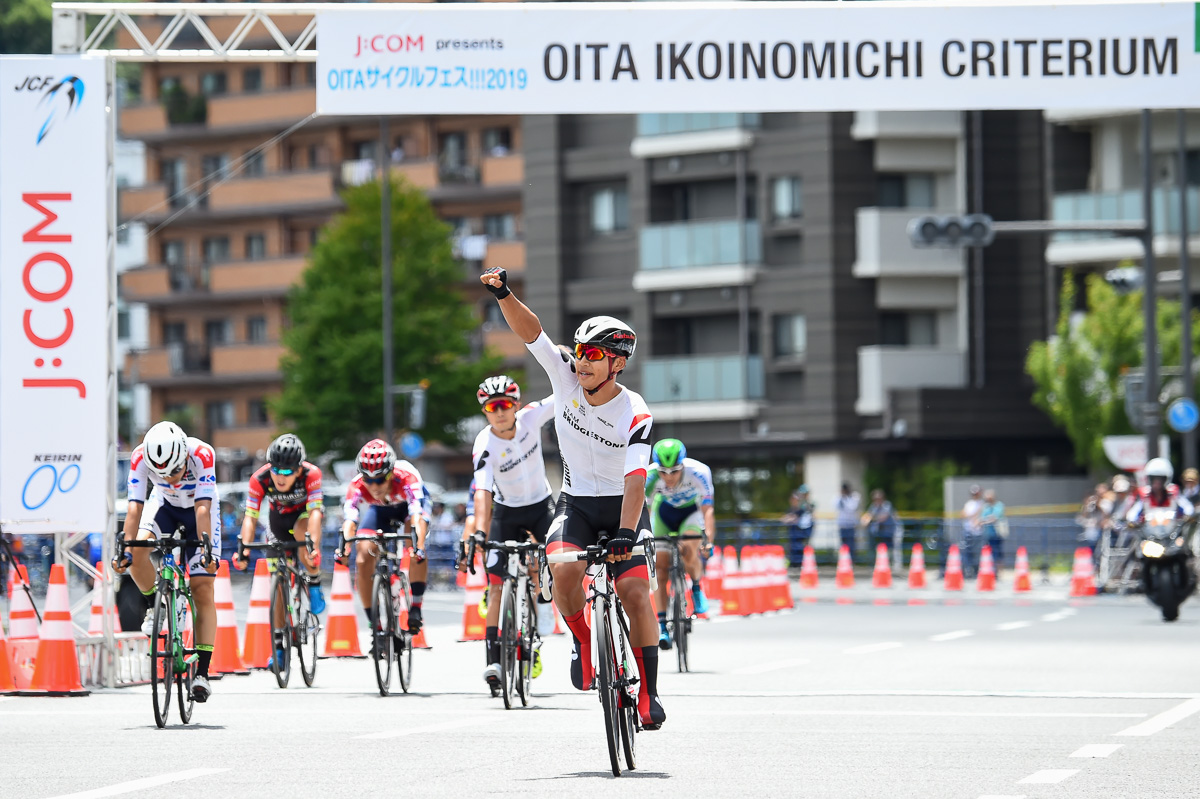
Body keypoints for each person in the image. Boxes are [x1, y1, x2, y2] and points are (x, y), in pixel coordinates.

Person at [481, 265, 664, 730]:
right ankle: (584, 641)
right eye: (580, 353)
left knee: (634, 592)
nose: (581, 362)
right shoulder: (565, 381)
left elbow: (636, 480)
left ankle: (648, 693)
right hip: (576, 504)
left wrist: (626, 533)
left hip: (625, 510)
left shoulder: (635, 411)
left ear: (617, 363)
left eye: (594, 355)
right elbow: (534, 335)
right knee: (563, 573)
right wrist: (504, 294)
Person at [462, 374, 556, 691]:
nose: (499, 411)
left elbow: (565, 392)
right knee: (498, 584)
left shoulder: (531, 417)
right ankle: (494, 662)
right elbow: (482, 492)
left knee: (555, 562)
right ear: (485, 411)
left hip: (541, 505)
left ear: (515, 405)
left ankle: (540, 622)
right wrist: (478, 532)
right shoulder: (484, 444)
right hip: (507, 511)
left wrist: (571, 361)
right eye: (492, 407)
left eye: (504, 405)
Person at [114, 421, 220, 703]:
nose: (170, 477)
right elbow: (135, 507)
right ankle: (155, 605)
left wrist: (206, 548)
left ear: (185, 455)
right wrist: (125, 548)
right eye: (160, 473)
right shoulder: (139, 456)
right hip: (163, 506)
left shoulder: (202, 454)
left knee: (202, 588)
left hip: (198, 509)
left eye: (174, 470)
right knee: (137, 553)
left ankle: (203, 674)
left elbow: (203, 507)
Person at [234, 433, 326, 657]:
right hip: (278, 523)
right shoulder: (260, 478)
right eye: (276, 470)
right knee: (277, 583)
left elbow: (315, 513)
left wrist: (312, 544)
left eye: (287, 471)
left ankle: (314, 582)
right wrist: (244, 547)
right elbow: (250, 517)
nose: (280, 477)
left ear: (298, 469)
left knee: (305, 537)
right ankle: (278, 645)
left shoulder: (311, 474)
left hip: (303, 518)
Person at [337, 439, 431, 633]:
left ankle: (416, 606)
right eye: (368, 479)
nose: (374, 485)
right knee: (363, 557)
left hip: (408, 509)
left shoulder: (406, 477)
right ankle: (374, 622)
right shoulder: (356, 485)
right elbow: (350, 520)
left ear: (390, 473)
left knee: (413, 545)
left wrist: (418, 546)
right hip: (380, 510)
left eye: (379, 478)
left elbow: (416, 516)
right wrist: (344, 548)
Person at [645, 438, 717, 650]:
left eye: (674, 471)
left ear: (683, 465)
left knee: (688, 549)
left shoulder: (699, 472)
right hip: (663, 514)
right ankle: (662, 626)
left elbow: (708, 509)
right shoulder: (649, 476)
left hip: (690, 513)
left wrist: (708, 540)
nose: (668, 477)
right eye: (663, 472)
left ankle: (696, 587)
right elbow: (644, 511)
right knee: (660, 568)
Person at [1127, 457, 1194, 524]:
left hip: (1172, 532)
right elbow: (1133, 513)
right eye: (1153, 478)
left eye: (1161, 479)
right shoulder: (1145, 494)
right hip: (1149, 532)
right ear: (1149, 479)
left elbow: (1188, 507)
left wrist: (1187, 516)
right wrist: (1132, 521)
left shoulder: (1173, 492)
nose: (1157, 482)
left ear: (1167, 479)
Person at [781, 485, 815, 566]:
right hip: (796, 531)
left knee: (802, 547)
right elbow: (786, 518)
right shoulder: (795, 508)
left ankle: (801, 563)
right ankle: (794, 563)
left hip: (802, 531)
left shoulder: (804, 507)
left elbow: (797, 517)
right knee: (793, 548)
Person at [861, 489, 897, 558]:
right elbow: (868, 515)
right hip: (878, 531)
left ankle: (890, 563)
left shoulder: (887, 505)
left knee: (890, 548)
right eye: (875, 499)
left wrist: (872, 518)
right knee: (875, 547)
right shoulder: (873, 506)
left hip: (889, 531)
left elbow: (883, 517)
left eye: (878, 498)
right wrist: (865, 521)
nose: (877, 500)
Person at [978, 489, 1007, 567]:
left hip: (997, 533)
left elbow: (995, 517)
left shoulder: (999, 505)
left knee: (997, 552)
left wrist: (985, 520)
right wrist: (985, 520)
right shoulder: (986, 506)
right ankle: (991, 569)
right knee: (988, 552)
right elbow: (982, 517)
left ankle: (998, 570)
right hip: (987, 534)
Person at [961, 484, 984, 578]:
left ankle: (976, 570)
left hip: (978, 532)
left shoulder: (982, 504)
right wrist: (973, 516)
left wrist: (973, 516)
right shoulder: (969, 504)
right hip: (968, 530)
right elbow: (963, 514)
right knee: (967, 552)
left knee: (977, 552)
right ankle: (968, 570)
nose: (975, 495)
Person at [836, 483, 861, 564]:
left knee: (851, 544)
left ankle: (852, 561)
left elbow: (851, 508)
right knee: (843, 544)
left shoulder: (854, 496)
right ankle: (844, 561)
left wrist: (845, 498)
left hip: (851, 525)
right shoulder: (839, 498)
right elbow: (835, 505)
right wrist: (842, 497)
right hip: (842, 525)